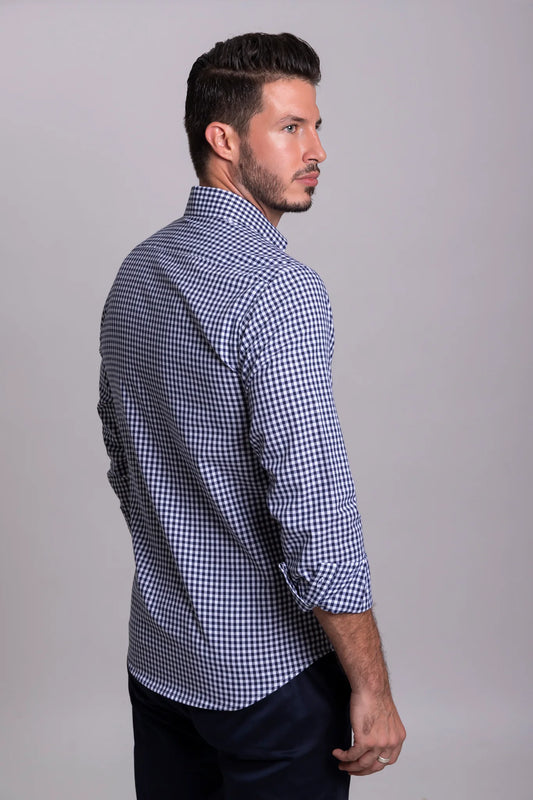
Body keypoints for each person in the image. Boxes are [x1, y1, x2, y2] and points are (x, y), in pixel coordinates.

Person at [98, 31, 405, 800]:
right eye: (290, 127)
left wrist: (185, 555)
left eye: (316, 126)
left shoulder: (137, 271)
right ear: (224, 140)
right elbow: (315, 512)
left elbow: (124, 458)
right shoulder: (280, 291)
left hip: (161, 664)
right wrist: (371, 688)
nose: (317, 150)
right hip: (271, 685)